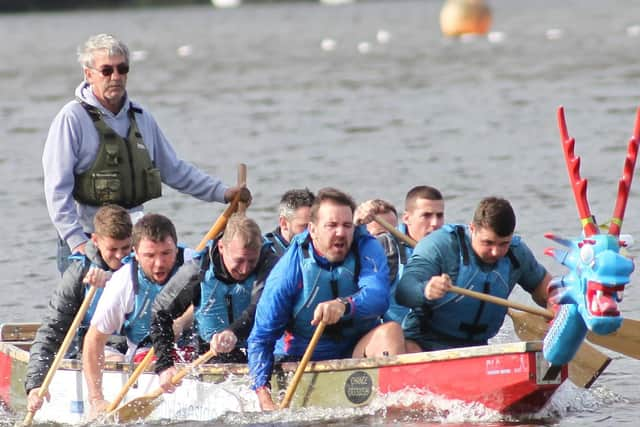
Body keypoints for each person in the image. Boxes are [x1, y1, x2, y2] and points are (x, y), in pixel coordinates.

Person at [42, 33, 250, 275]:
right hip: (88, 240)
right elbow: (57, 190)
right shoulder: (71, 118)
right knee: (90, 310)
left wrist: (223, 193)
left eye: (122, 69)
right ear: (88, 74)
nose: (116, 77)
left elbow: (174, 170)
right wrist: (76, 241)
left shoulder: (140, 116)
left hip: (133, 240)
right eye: (106, 71)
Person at [248, 188, 406, 411]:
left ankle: (395, 412)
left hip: (355, 350)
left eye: (347, 225)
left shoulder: (366, 246)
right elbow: (260, 339)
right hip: (305, 358)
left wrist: (344, 305)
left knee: (391, 332)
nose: (341, 233)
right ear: (312, 230)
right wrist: (264, 398)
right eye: (331, 225)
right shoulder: (289, 270)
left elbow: (378, 297)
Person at [396, 196, 551, 352]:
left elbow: (545, 288)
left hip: (477, 348)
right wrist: (426, 290)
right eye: (488, 243)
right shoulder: (439, 245)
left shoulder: (516, 252)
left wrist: (556, 305)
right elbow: (404, 291)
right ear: (472, 229)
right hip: (424, 342)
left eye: (503, 243)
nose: (496, 252)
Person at [149, 214, 279, 392]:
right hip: (212, 356)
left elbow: (261, 307)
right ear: (222, 247)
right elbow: (160, 314)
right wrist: (165, 365)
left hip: (264, 350)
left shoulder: (270, 264)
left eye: (251, 261)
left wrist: (232, 332)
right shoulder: (197, 270)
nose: (245, 269)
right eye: (239, 260)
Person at [25, 204, 133, 414]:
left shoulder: (143, 262)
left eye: (126, 248)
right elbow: (51, 331)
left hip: (136, 345)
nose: (120, 257)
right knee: (116, 358)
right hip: (98, 349)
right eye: (112, 249)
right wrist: (35, 384)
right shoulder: (78, 274)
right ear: (95, 240)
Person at [82, 213, 190, 417]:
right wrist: (96, 399)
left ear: (177, 248)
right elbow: (93, 341)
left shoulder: (192, 263)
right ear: (136, 254)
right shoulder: (122, 283)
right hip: (146, 354)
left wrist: (182, 322)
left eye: (167, 253)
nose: (159, 264)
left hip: (196, 347)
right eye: (150, 256)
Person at [355, 186, 445, 325]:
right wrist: (357, 224)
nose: (435, 223)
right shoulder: (385, 245)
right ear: (407, 218)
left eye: (439, 216)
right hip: (399, 336)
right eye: (426, 216)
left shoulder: (450, 246)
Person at [263, 188, 315, 257]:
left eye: (315, 225)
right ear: (284, 223)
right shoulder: (264, 253)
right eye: (304, 226)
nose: (312, 232)